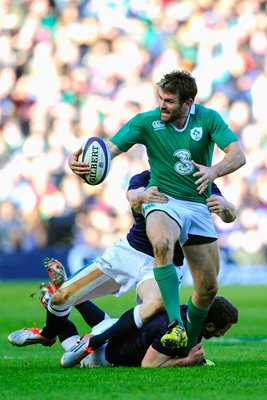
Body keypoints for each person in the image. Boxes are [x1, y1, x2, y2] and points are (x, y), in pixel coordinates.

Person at [69, 69, 245, 351]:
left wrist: (214, 171)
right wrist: (80, 164)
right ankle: (175, 324)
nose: (162, 105)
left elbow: (237, 154)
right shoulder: (146, 122)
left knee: (208, 288)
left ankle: (186, 348)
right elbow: (109, 150)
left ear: (188, 104)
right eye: (161, 98)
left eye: (170, 101)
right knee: (162, 243)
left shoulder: (209, 119)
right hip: (164, 200)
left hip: (198, 204)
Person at [7, 170, 236, 352]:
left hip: (162, 265)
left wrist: (225, 209)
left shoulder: (200, 182)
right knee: (60, 300)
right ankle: (48, 333)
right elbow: (133, 198)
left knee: (155, 305)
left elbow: (229, 213)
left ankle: (94, 342)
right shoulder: (146, 177)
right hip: (127, 253)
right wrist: (140, 197)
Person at [61, 295, 238, 368]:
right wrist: (187, 360)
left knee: (102, 323)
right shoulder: (175, 334)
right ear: (210, 325)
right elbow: (149, 365)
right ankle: (54, 308)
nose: (222, 334)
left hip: (117, 328)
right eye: (223, 330)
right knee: (68, 336)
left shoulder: (186, 312)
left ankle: (68, 294)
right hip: (103, 354)